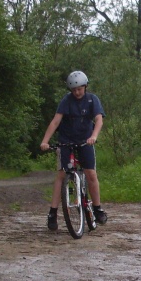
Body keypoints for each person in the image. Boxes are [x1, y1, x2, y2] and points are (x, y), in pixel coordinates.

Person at [40, 71, 108, 231]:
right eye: (74, 90)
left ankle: (97, 208)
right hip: (66, 141)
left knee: (91, 173)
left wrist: (94, 136)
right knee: (61, 175)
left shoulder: (92, 99)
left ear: (85, 87)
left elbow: (98, 119)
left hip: (85, 140)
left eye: (80, 89)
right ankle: (53, 213)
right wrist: (45, 141)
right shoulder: (66, 100)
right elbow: (56, 121)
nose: (77, 92)